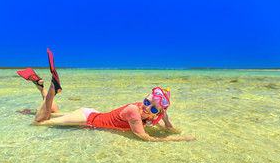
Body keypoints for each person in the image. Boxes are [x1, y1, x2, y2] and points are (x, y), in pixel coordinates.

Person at [17, 49, 196, 142]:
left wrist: (166, 119)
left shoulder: (151, 113)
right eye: (147, 101)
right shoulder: (134, 112)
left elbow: (171, 129)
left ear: (157, 112)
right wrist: (180, 139)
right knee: (40, 123)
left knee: (51, 114)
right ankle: (51, 89)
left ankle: (39, 85)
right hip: (88, 120)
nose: (146, 106)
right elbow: (145, 138)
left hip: (91, 114)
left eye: (153, 107)